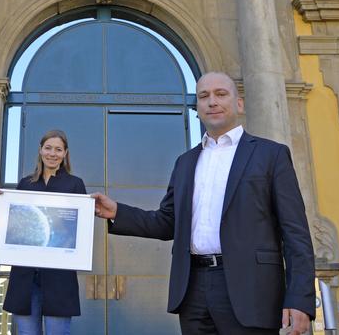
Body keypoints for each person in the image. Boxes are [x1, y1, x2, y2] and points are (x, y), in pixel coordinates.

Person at [92, 72, 315, 335]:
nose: (212, 101)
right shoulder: (185, 162)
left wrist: (300, 300)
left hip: (252, 291)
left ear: (239, 104)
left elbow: (295, 234)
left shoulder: (271, 154)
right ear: (197, 108)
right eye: (203, 96)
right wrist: (117, 212)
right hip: (193, 289)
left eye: (221, 94)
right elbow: (167, 223)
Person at [3, 130, 87, 335]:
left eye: (58, 149)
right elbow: (16, 225)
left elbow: (80, 229)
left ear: (65, 153)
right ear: (40, 150)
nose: (52, 153)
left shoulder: (75, 184)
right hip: (25, 277)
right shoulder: (25, 184)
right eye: (48, 148)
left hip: (60, 277)